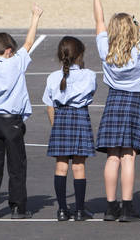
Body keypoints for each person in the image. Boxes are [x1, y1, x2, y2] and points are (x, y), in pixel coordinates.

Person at [94, 0, 140, 222]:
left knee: (113, 156)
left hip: (114, 100)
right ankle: (127, 206)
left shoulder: (105, 48)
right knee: (129, 155)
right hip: (134, 101)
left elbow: (98, 20)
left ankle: (110, 206)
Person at [0, 5, 41, 220]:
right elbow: (29, 43)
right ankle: (17, 207)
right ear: (7, 51)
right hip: (12, 121)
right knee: (16, 166)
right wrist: (35, 18)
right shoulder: (15, 63)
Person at [43, 36, 96, 222]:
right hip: (80, 117)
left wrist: (55, 125)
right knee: (79, 166)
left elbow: (49, 105)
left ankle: (63, 210)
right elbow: (90, 96)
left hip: (61, 119)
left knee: (61, 166)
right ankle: (80, 211)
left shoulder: (52, 77)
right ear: (80, 55)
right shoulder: (89, 75)